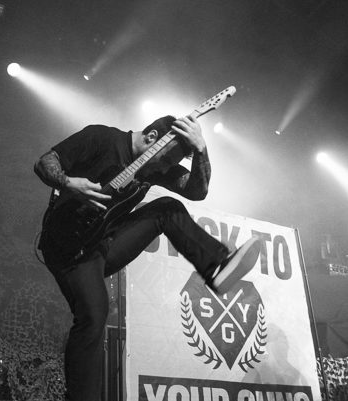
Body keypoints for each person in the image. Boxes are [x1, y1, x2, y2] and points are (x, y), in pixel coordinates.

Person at [34, 114, 260, 401]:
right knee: (93, 313)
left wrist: (201, 149)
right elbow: (45, 162)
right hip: (67, 250)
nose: (166, 168)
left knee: (168, 208)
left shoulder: (155, 166)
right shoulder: (102, 138)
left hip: (101, 245)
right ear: (152, 138)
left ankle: (217, 267)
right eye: (166, 160)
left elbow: (197, 191)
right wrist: (68, 183)